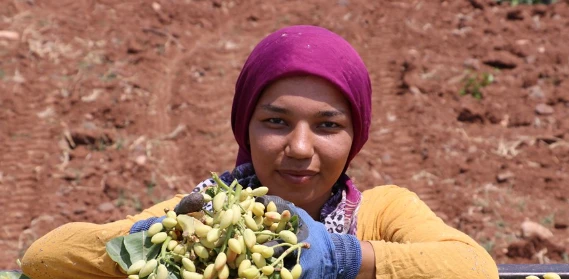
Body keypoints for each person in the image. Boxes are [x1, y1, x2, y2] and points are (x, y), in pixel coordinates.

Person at [20, 25, 499, 279]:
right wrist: (156, 237)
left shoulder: (382, 212)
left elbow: (474, 269)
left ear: (357, 136)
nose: (299, 147)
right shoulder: (207, 220)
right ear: (244, 128)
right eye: (276, 122)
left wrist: (341, 258)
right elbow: (42, 257)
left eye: (329, 125)